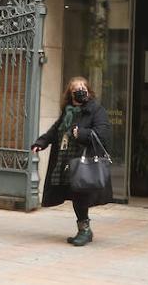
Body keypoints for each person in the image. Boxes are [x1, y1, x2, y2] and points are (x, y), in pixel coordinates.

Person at [31, 76, 112, 247]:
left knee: (80, 195)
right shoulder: (67, 112)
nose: (80, 90)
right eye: (76, 88)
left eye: (83, 87)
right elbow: (54, 132)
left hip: (85, 162)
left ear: (89, 91)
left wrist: (82, 133)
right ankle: (83, 229)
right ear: (70, 94)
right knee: (75, 195)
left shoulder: (96, 110)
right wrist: (41, 143)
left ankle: (85, 230)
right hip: (67, 160)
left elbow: (103, 135)